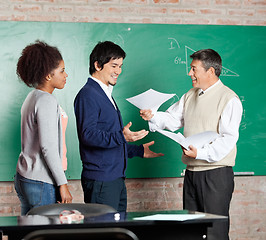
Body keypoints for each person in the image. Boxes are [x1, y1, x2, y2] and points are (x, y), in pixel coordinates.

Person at [140, 49, 243, 240]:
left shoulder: (229, 99)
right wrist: (153, 115)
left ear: (210, 71)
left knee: (214, 233)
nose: (190, 73)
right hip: (192, 173)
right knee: (191, 231)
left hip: (216, 174)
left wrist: (200, 153)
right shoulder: (190, 94)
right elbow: (173, 119)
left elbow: (228, 139)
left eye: (194, 69)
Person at [74, 41, 163, 212]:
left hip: (114, 179)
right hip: (102, 181)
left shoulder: (104, 94)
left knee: (117, 231)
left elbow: (109, 137)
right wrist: (122, 137)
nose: (118, 71)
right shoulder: (88, 94)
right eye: (114, 65)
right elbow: (88, 135)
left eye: (120, 66)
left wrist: (137, 151)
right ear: (98, 65)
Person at [14, 40, 73, 215]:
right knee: (43, 233)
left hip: (25, 177)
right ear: (48, 75)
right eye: (62, 71)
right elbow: (48, 147)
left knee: (29, 231)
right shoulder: (46, 100)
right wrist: (63, 184)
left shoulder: (32, 97)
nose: (66, 75)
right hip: (41, 182)